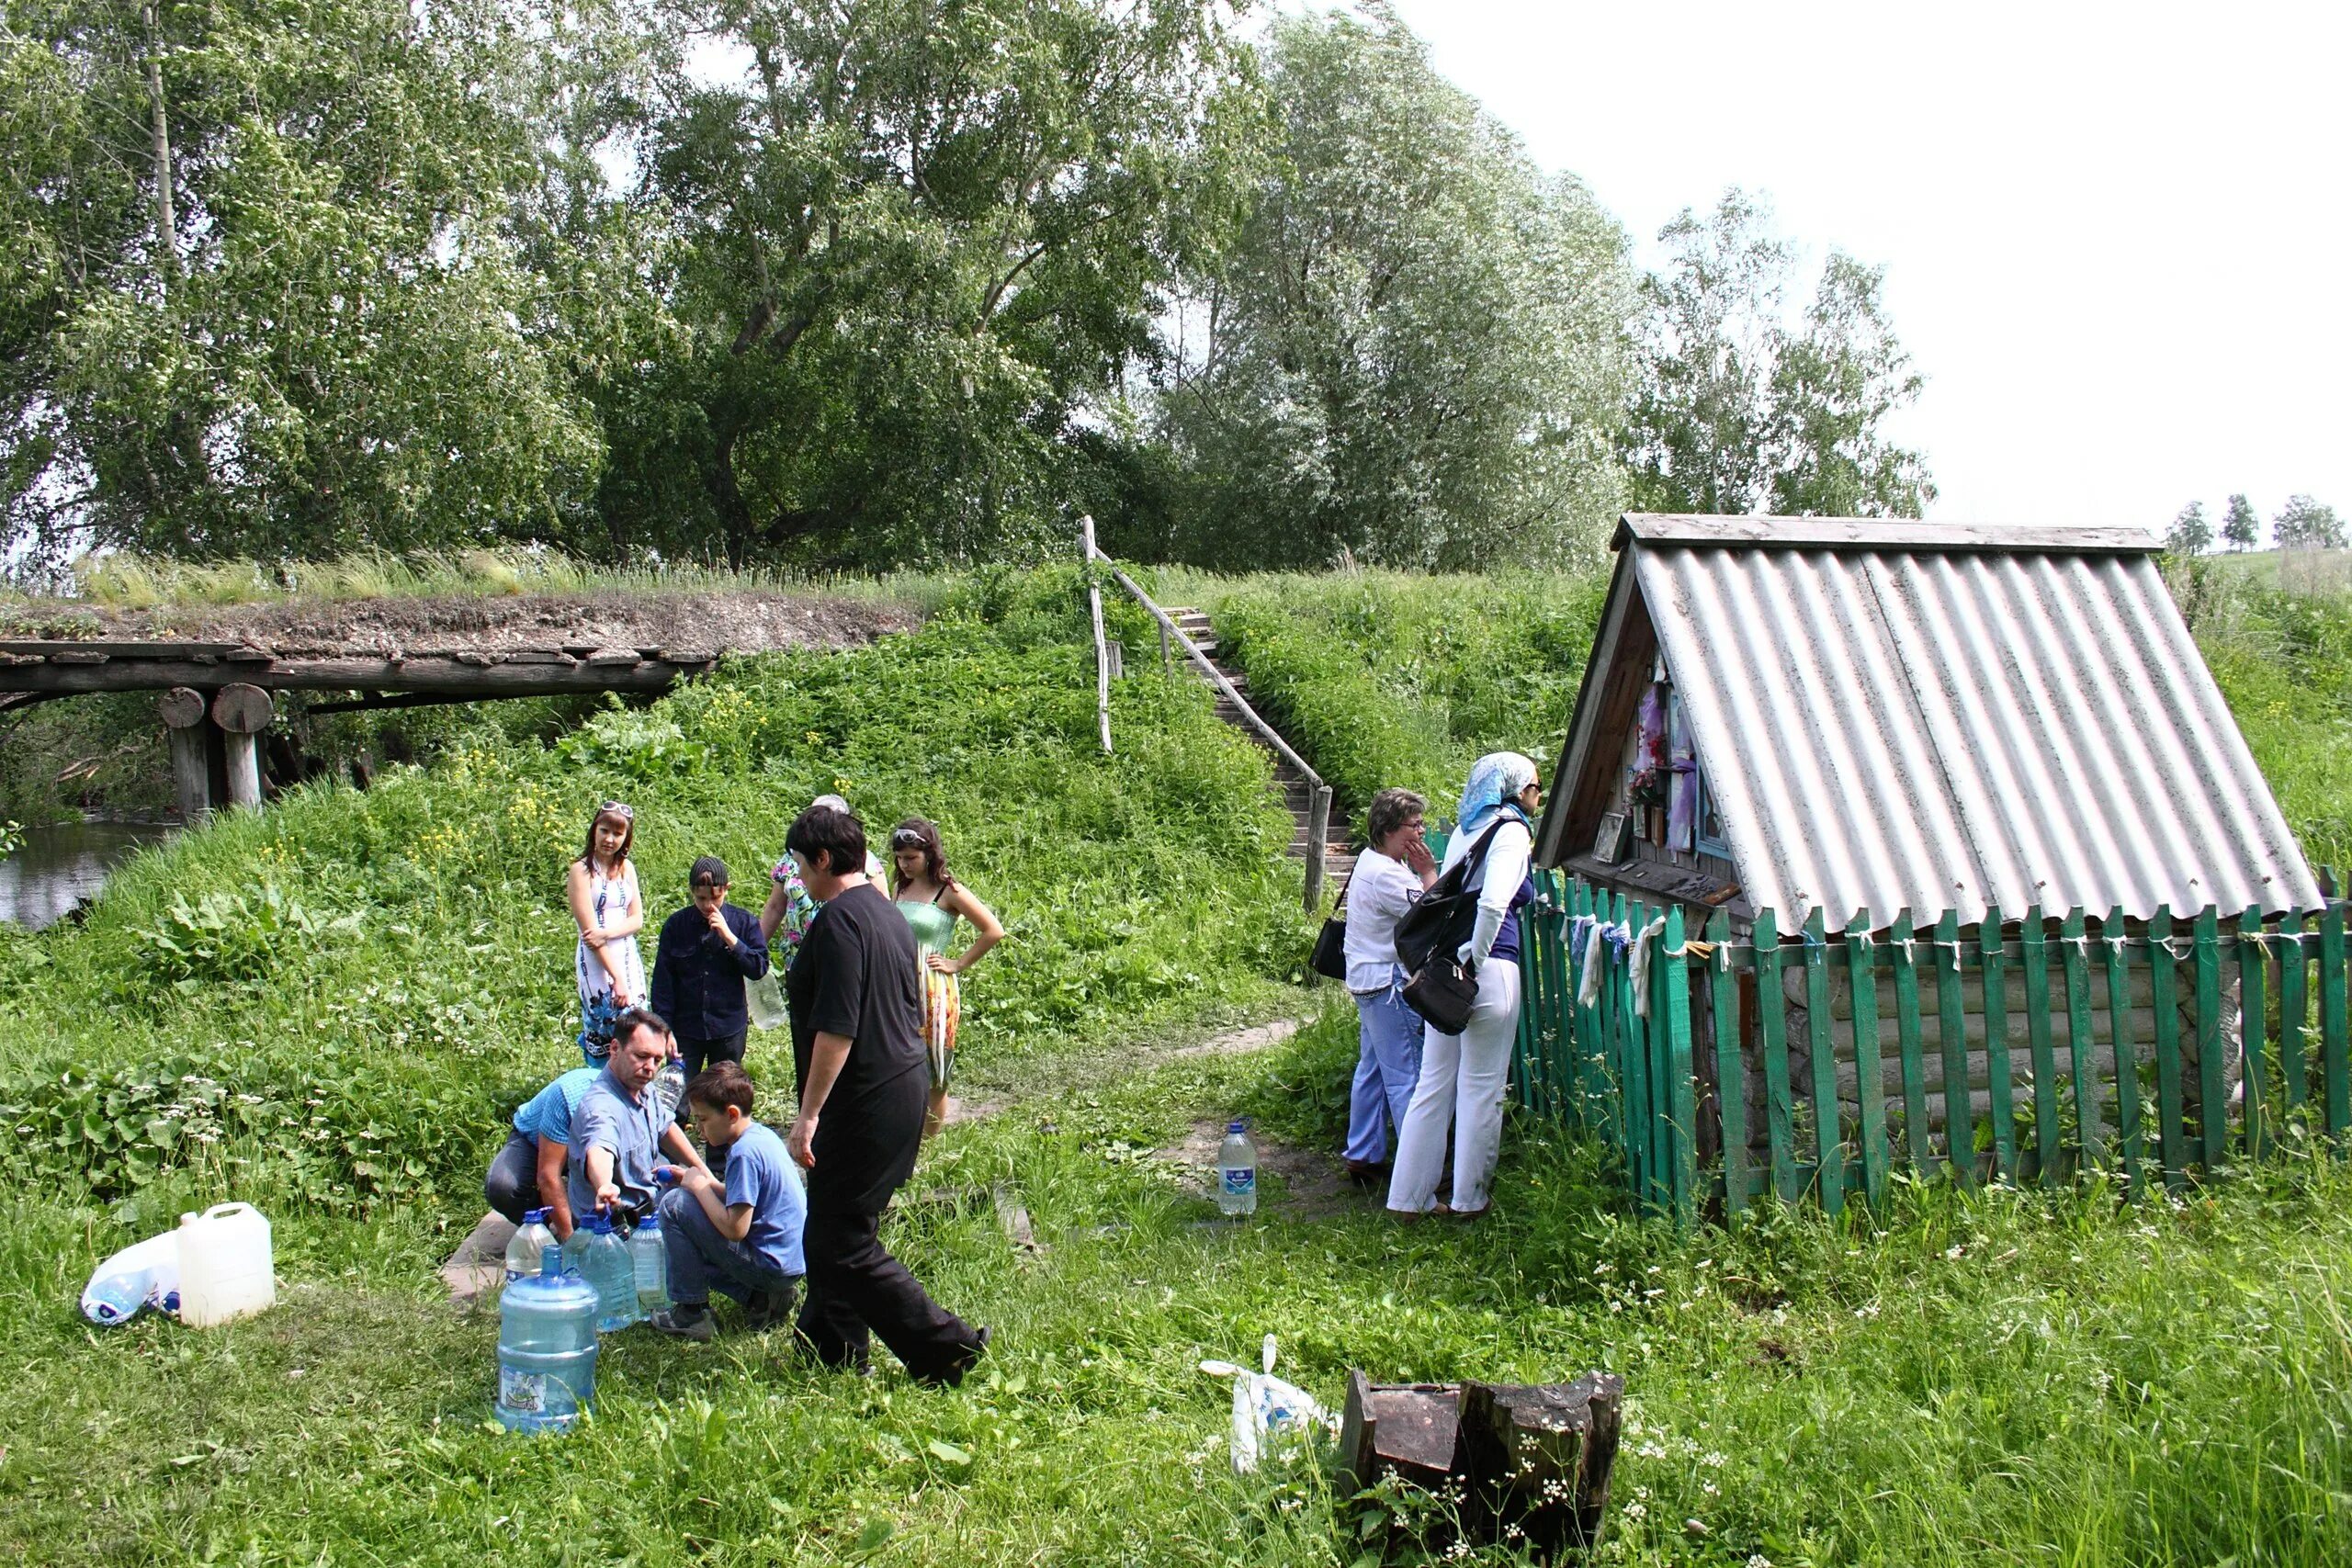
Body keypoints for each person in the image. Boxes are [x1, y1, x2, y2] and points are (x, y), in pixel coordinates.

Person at [782, 802, 988, 1384]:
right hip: (901, 1086)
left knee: (839, 1241)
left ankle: (948, 1347)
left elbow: (839, 1027)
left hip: (863, 1099)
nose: (796, 875)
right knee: (835, 1225)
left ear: (823, 859)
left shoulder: (842, 921)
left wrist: (808, 1116)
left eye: (800, 862)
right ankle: (831, 1351)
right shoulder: (888, 913)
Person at [1386, 754, 1540, 1221]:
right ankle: (1470, 1199)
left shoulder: (1463, 831)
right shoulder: (1512, 831)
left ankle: (1407, 1198)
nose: (1538, 795)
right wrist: (1476, 957)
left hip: (1444, 973)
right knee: (1481, 1088)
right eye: (1536, 785)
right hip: (1488, 969)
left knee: (1434, 1085)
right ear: (1515, 790)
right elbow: (1493, 904)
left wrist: (1460, 959)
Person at [649, 1061, 807, 1341]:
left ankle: (692, 1312)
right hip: (790, 1261)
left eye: (703, 1119)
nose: (698, 1128)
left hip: (771, 1266)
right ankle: (764, 1299)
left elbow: (736, 1229)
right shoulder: (761, 1136)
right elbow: (744, 1197)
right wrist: (704, 1182)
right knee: (688, 1202)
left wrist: (698, 1189)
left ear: (731, 1114)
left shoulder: (742, 1154)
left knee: (674, 1206)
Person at [1340, 789, 1438, 1184]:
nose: (1421, 832)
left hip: (1366, 980)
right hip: (1388, 985)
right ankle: (1418, 1175)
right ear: (1389, 829)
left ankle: (1362, 1152)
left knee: (1374, 1069)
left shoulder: (1370, 861)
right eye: (1414, 825)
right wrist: (1429, 870)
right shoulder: (1388, 876)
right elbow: (1434, 915)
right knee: (1406, 1075)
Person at [887, 818, 1005, 1137]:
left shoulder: (948, 890)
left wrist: (958, 963)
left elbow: (994, 930)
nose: (904, 864)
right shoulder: (898, 887)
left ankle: (929, 1143)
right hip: (898, 984)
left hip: (934, 987)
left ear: (929, 853)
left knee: (935, 1064)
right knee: (898, 1060)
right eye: (899, 857)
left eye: (911, 857)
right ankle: (904, 1138)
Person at [570, 1008, 710, 1224]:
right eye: (642, 1056)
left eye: (657, 1060)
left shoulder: (642, 1086)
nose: (650, 1068)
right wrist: (604, 1185)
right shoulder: (600, 1107)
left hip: (652, 1206)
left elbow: (664, 1127)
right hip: (617, 1227)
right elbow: (600, 1146)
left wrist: (702, 1171)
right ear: (615, 1048)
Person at [650, 856, 772, 1089]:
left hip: (728, 1027)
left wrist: (730, 938)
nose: (708, 906)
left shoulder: (743, 922)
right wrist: (664, 1029)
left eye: (715, 898)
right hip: (686, 1029)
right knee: (677, 1098)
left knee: (724, 1095)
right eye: (701, 898)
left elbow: (759, 968)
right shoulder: (676, 926)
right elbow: (663, 984)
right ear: (691, 892)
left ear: (727, 889)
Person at [760, 793, 888, 966]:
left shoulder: (866, 861)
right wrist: (753, 949)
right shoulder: (793, 858)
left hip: (844, 956)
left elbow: (882, 912)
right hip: (797, 956)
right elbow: (775, 907)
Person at [569, 801, 646, 1066]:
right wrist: (617, 979)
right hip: (598, 964)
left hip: (627, 956)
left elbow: (637, 919)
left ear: (626, 838)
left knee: (636, 1031)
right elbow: (590, 936)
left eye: (617, 834)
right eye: (604, 831)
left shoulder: (627, 869)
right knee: (606, 1032)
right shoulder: (581, 871)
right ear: (594, 831)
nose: (609, 839)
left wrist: (607, 932)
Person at [484, 1065, 599, 1239]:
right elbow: (548, 1176)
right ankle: (540, 1222)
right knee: (503, 1187)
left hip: (587, 1152)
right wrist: (570, 1241)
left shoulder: (637, 1098)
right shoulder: (569, 1094)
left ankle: (569, 1201)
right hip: (534, 1142)